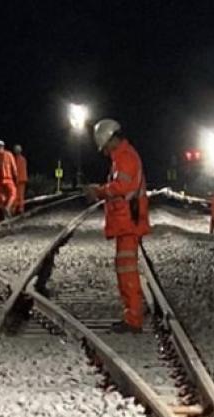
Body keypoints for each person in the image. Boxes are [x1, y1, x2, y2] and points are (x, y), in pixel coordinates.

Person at [83, 119, 150, 333]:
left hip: (128, 223)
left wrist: (99, 190)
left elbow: (121, 187)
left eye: (104, 146)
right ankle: (132, 314)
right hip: (125, 223)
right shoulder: (120, 157)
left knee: (127, 271)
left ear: (111, 139)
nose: (103, 152)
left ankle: (134, 319)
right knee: (124, 270)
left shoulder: (126, 157)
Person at [0, 141, 19, 220]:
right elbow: (14, 167)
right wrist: (16, 177)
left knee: (2, 197)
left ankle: (4, 214)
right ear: (3, 146)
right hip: (8, 179)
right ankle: (7, 207)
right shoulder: (8, 154)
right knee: (13, 193)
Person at [11, 144, 29, 213]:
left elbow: (16, 170)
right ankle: (20, 209)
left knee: (16, 195)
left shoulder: (15, 159)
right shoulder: (23, 159)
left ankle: (16, 209)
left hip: (17, 179)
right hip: (22, 179)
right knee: (20, 195)